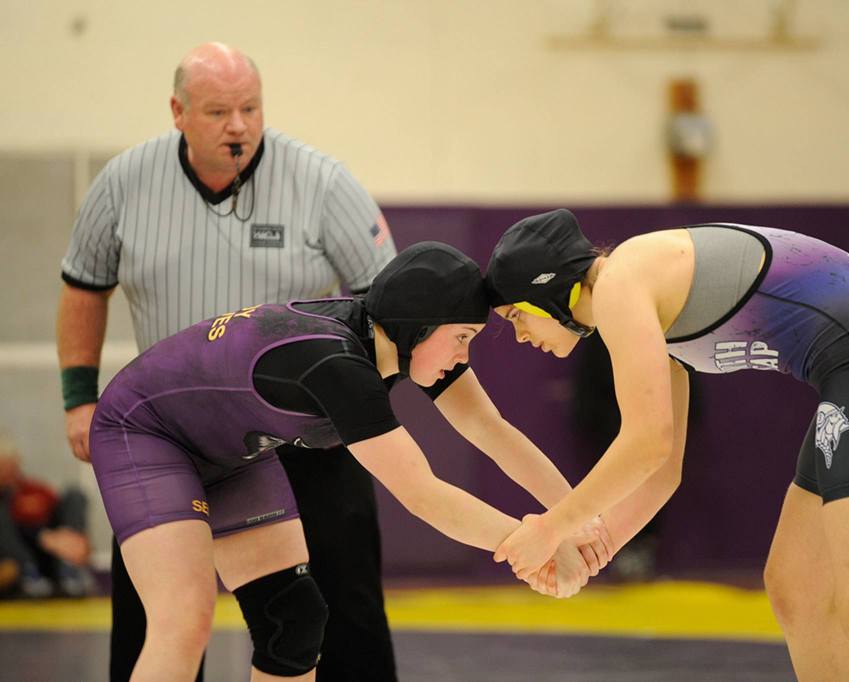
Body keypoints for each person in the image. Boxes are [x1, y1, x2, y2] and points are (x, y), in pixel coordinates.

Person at [89, 242, 607, 681]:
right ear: (417, 326)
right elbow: (423, 495)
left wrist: (576, 521)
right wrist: (537, 547)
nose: (464, 357)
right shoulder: (337, 364)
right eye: (463, 339)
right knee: (184, 620)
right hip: (145, 431)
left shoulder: (398, 338)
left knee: (293, 618)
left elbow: (490, 430)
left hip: (231, 453)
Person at [57, 43, 400, 681]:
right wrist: (79, 394)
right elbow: (83, 286)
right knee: (162, 616)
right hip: (167, 430)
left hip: (301, 426)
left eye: (250, 108)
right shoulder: (124, 183)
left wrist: (355, 402)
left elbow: (390, 297)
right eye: (218, 111)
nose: (238, 125)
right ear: (178, 112)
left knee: (332, 604)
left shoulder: (321, 181)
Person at [486, 209, 849, 681]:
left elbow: (646, 444)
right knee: (798, 588)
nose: (520, 334)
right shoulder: (642, 296)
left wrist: (551, 528)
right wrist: (588, 551)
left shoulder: (620, 282)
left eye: (517, 315)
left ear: (551, 291)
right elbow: (662, 468)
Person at [0, 437, 93, 598]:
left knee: (75, 494)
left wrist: (70, 538)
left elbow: (61, 514)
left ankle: (69, 568)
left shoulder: (35, 490)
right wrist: (42, 537)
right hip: (20, 557)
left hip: (54, 551)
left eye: (7, 464)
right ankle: (29, 572)